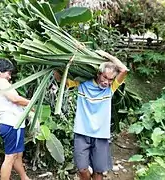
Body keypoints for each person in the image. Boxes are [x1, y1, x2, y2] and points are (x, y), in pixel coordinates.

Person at [54, 50, 128, 180]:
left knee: (98, 172)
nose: (106, 82)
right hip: (82, 133)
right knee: (82, 169)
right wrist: (54, 64)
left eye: (110, 79)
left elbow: (123, 69)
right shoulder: (82, 84)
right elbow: (61, 79)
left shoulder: (111, 89)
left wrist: (107, 55)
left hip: (101, 135)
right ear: (99, 74)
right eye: (105, 77)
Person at [0, 59, 31, 180]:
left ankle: (24, 178)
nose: (9, 76)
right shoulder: (1, 82)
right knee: (10, 157)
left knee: (17, 155)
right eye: (8, 73)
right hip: (12, 123)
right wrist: (31, 103)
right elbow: (15, 99)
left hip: (10, 123)